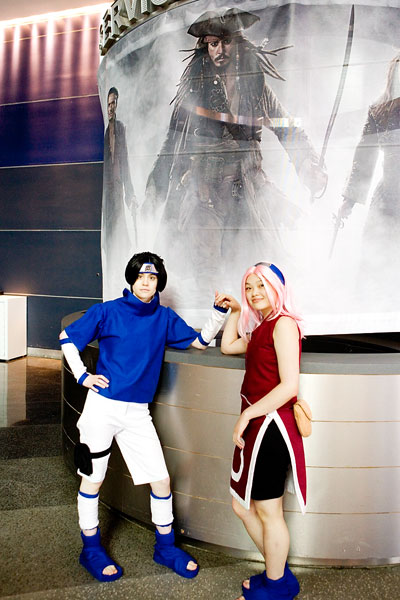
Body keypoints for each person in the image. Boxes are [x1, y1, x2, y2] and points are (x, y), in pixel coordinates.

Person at [59, 251, 228, 582]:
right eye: (140, 277)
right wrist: (82, 376)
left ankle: (165, 547)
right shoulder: (108, 311)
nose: (146, 283)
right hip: (102, 408)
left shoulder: (163, 318)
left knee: (161, 480)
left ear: (158, 282)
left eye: (152, 277)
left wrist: (218, 313)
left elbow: (198, 342)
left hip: (137, 413)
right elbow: (67, 338)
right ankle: (90, 549)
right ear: (131, 279)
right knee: (93, 479)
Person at [144, 8, 326, 303]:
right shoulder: (193, 92)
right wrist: (157, 184)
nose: (220, 50)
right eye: (213, 43)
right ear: (205, 47)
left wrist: (308, 166)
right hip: (205, 193)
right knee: (207, 275)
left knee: (257, 269)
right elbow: (171, 144)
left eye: (226, 41)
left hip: (248, 191)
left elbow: (287, 129)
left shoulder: (255, 89)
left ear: (238, 44)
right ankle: (210, 325)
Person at [219, 262, 306, 600]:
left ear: (277, 288)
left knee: (269, 511)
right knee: (242, 506)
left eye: (261, 286)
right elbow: (228, 346)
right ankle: (277, 574)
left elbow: (289, 386)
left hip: (272, 427)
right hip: (258, 425)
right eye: (249, 287)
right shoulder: (261, 328)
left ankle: (277, 585)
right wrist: (235, 312)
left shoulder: (284, 324)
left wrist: (247, 415)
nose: (254, 292)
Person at [337, 52, 400, 307]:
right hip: (388, 198)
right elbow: (364, 156)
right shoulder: (379, 109)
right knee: (375, 260)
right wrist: (349, 201)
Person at [102, 87, 136, 293]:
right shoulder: (106, 131)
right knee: (111, 231)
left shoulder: (120, 128)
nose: (111, 108)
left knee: (120, 230)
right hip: (108, 192)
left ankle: (121, 273)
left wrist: (130, 192)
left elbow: (125, 162)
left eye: (113, 103)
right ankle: (113, 272)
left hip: (117, 189)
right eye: (108, 104)